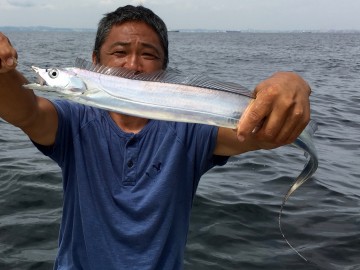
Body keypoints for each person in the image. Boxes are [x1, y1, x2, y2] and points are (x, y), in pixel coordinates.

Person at [0, 5, 311, 270]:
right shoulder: (73, 120)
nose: (133, 65)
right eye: (119, 52)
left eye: (148, 55)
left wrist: (289, 82)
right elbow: (24, 110)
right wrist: (3, 73)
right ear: (94, 61)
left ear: (163, 68)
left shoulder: (191, 128)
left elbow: (265, 135)